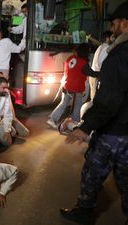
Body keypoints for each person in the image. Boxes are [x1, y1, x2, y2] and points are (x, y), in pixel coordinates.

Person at [60, 2, 128, 225]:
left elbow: (107, 101)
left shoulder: (118, 56)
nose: (113, 27)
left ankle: (84, 211)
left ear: (124, 23)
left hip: (113, 132)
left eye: (114, 23)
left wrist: (85, 127)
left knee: (93, 171)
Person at [47, 43, 89, 129]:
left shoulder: (70, 58)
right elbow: (91, 73)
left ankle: (52, 119)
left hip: (66, 85)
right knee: (78, 105)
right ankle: (74, 123)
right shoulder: (83, 62)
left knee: (63, 104)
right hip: (77, 88)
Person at [0, 71, 29, 137]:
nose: (1, 79)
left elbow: (10, 106)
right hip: (0, 119)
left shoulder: (5, 91)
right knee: (13, 133)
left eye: (2, 77)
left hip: (8, 116)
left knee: (25, 133)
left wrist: (14, 118)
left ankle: (10, 127)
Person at [89, 31, 113, 100]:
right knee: (96, 100)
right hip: (98, 76)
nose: (114, 39)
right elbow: (101, 63)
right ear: (107, 39)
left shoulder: (100, 47)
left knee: (93, 98)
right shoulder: (107, 48)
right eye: (112, 37)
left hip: (94, 75)